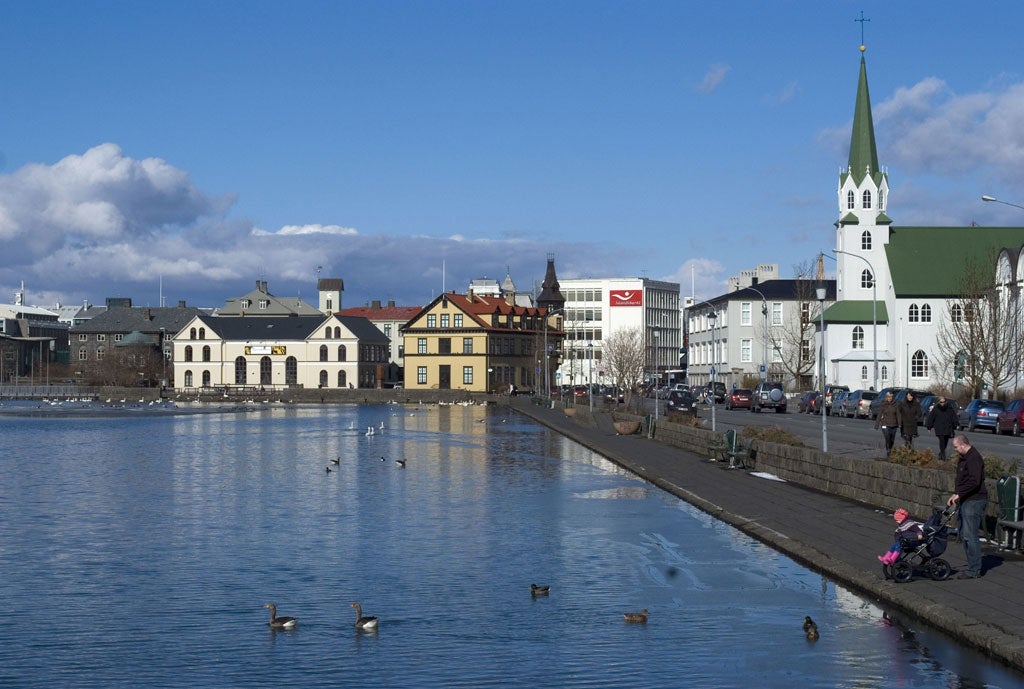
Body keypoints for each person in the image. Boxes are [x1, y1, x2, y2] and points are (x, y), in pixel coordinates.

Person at [947, 435, 988, 579]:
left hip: (975, 500)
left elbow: (974, 482)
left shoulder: (973, 458)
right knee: (965, 534)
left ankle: (974, 569)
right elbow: (963, 480)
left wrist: (959, 494)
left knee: (971, 536)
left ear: (963, 445)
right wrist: (956, 494)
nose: (955, 450)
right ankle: (972, 565)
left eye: (956, 447)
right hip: (966, 499)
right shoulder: (965, 458)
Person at [874, 391, 899, 457]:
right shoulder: (883, 404)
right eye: (888, 397)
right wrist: (876, 425)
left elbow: (898, 414)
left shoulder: (895, 404)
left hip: (894, 425)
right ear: (886, 397)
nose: (889, 398)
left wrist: (899, 423)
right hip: (885, 424)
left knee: (892, 440)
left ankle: (890, 449)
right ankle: (888, 452)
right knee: (887, 438)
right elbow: (879, 414)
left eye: (891, 397)